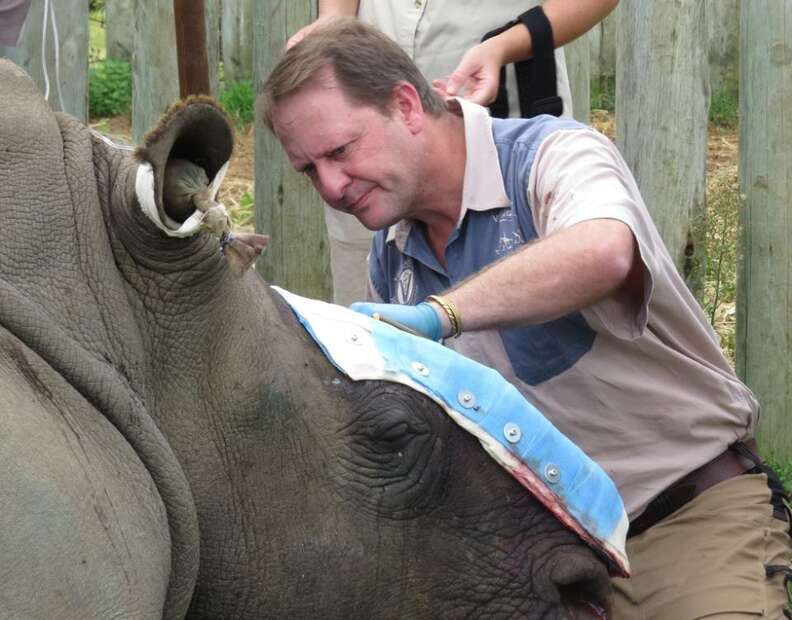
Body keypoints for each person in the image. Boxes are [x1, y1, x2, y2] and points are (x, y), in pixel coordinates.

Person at [259, 19, 792, 618]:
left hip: (690, 519)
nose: (330, 186)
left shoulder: (550, 154)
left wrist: (442, 317)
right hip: (543, 558)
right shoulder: (393, 253)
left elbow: (604, 251)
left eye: (340, 151)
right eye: (309, 170)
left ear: (405, 105)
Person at [288, 0, 619, 306]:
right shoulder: (341, 170)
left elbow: (606, 253)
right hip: (357, 115)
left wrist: (506, 45)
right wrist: (335, 19)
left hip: (489, 96)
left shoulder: (551, 155)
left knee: (521, 323)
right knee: (371, 328)